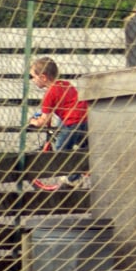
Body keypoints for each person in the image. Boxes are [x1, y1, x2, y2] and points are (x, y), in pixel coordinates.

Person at [27, 57, 89, 189]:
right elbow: (67, 104)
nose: (32, 80)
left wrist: (33, 121)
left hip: (73, 121)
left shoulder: (50, 94)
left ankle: (74, 179)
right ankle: (88, 164)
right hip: (85, 118)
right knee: (84, 146)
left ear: (43, 77)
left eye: (32, 77)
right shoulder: (65, 84)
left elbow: (42, 121)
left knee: (61, 148)